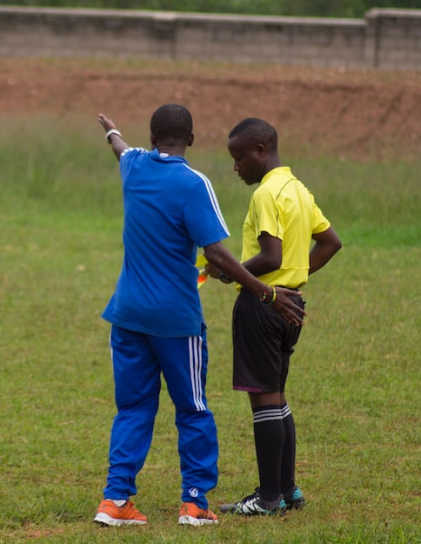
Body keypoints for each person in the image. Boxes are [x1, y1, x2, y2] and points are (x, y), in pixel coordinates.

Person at [92, 106, 305, 528]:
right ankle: (193, 503)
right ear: (190, 139)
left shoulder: (134, 166)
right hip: (176, 320)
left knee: (132, 407)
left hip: (127, 313)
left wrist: (112, 130)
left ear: (152, 138)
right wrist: (266, 292)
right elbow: (216, 252)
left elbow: (120, 149)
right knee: (192, 407)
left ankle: (115, 500)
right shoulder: (194, 183)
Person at [213, 117, 341, 516]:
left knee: (264, 399)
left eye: (239, 158)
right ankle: (287, 491)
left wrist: (229, 269)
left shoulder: (267, 194)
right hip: (290, 304)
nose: (236, 167)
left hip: (264, 305)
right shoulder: (298, 190)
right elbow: (331, 242)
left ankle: (268, 499)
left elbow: (271, 256)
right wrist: (294, 280)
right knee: (278, 397)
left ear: (261, 151)